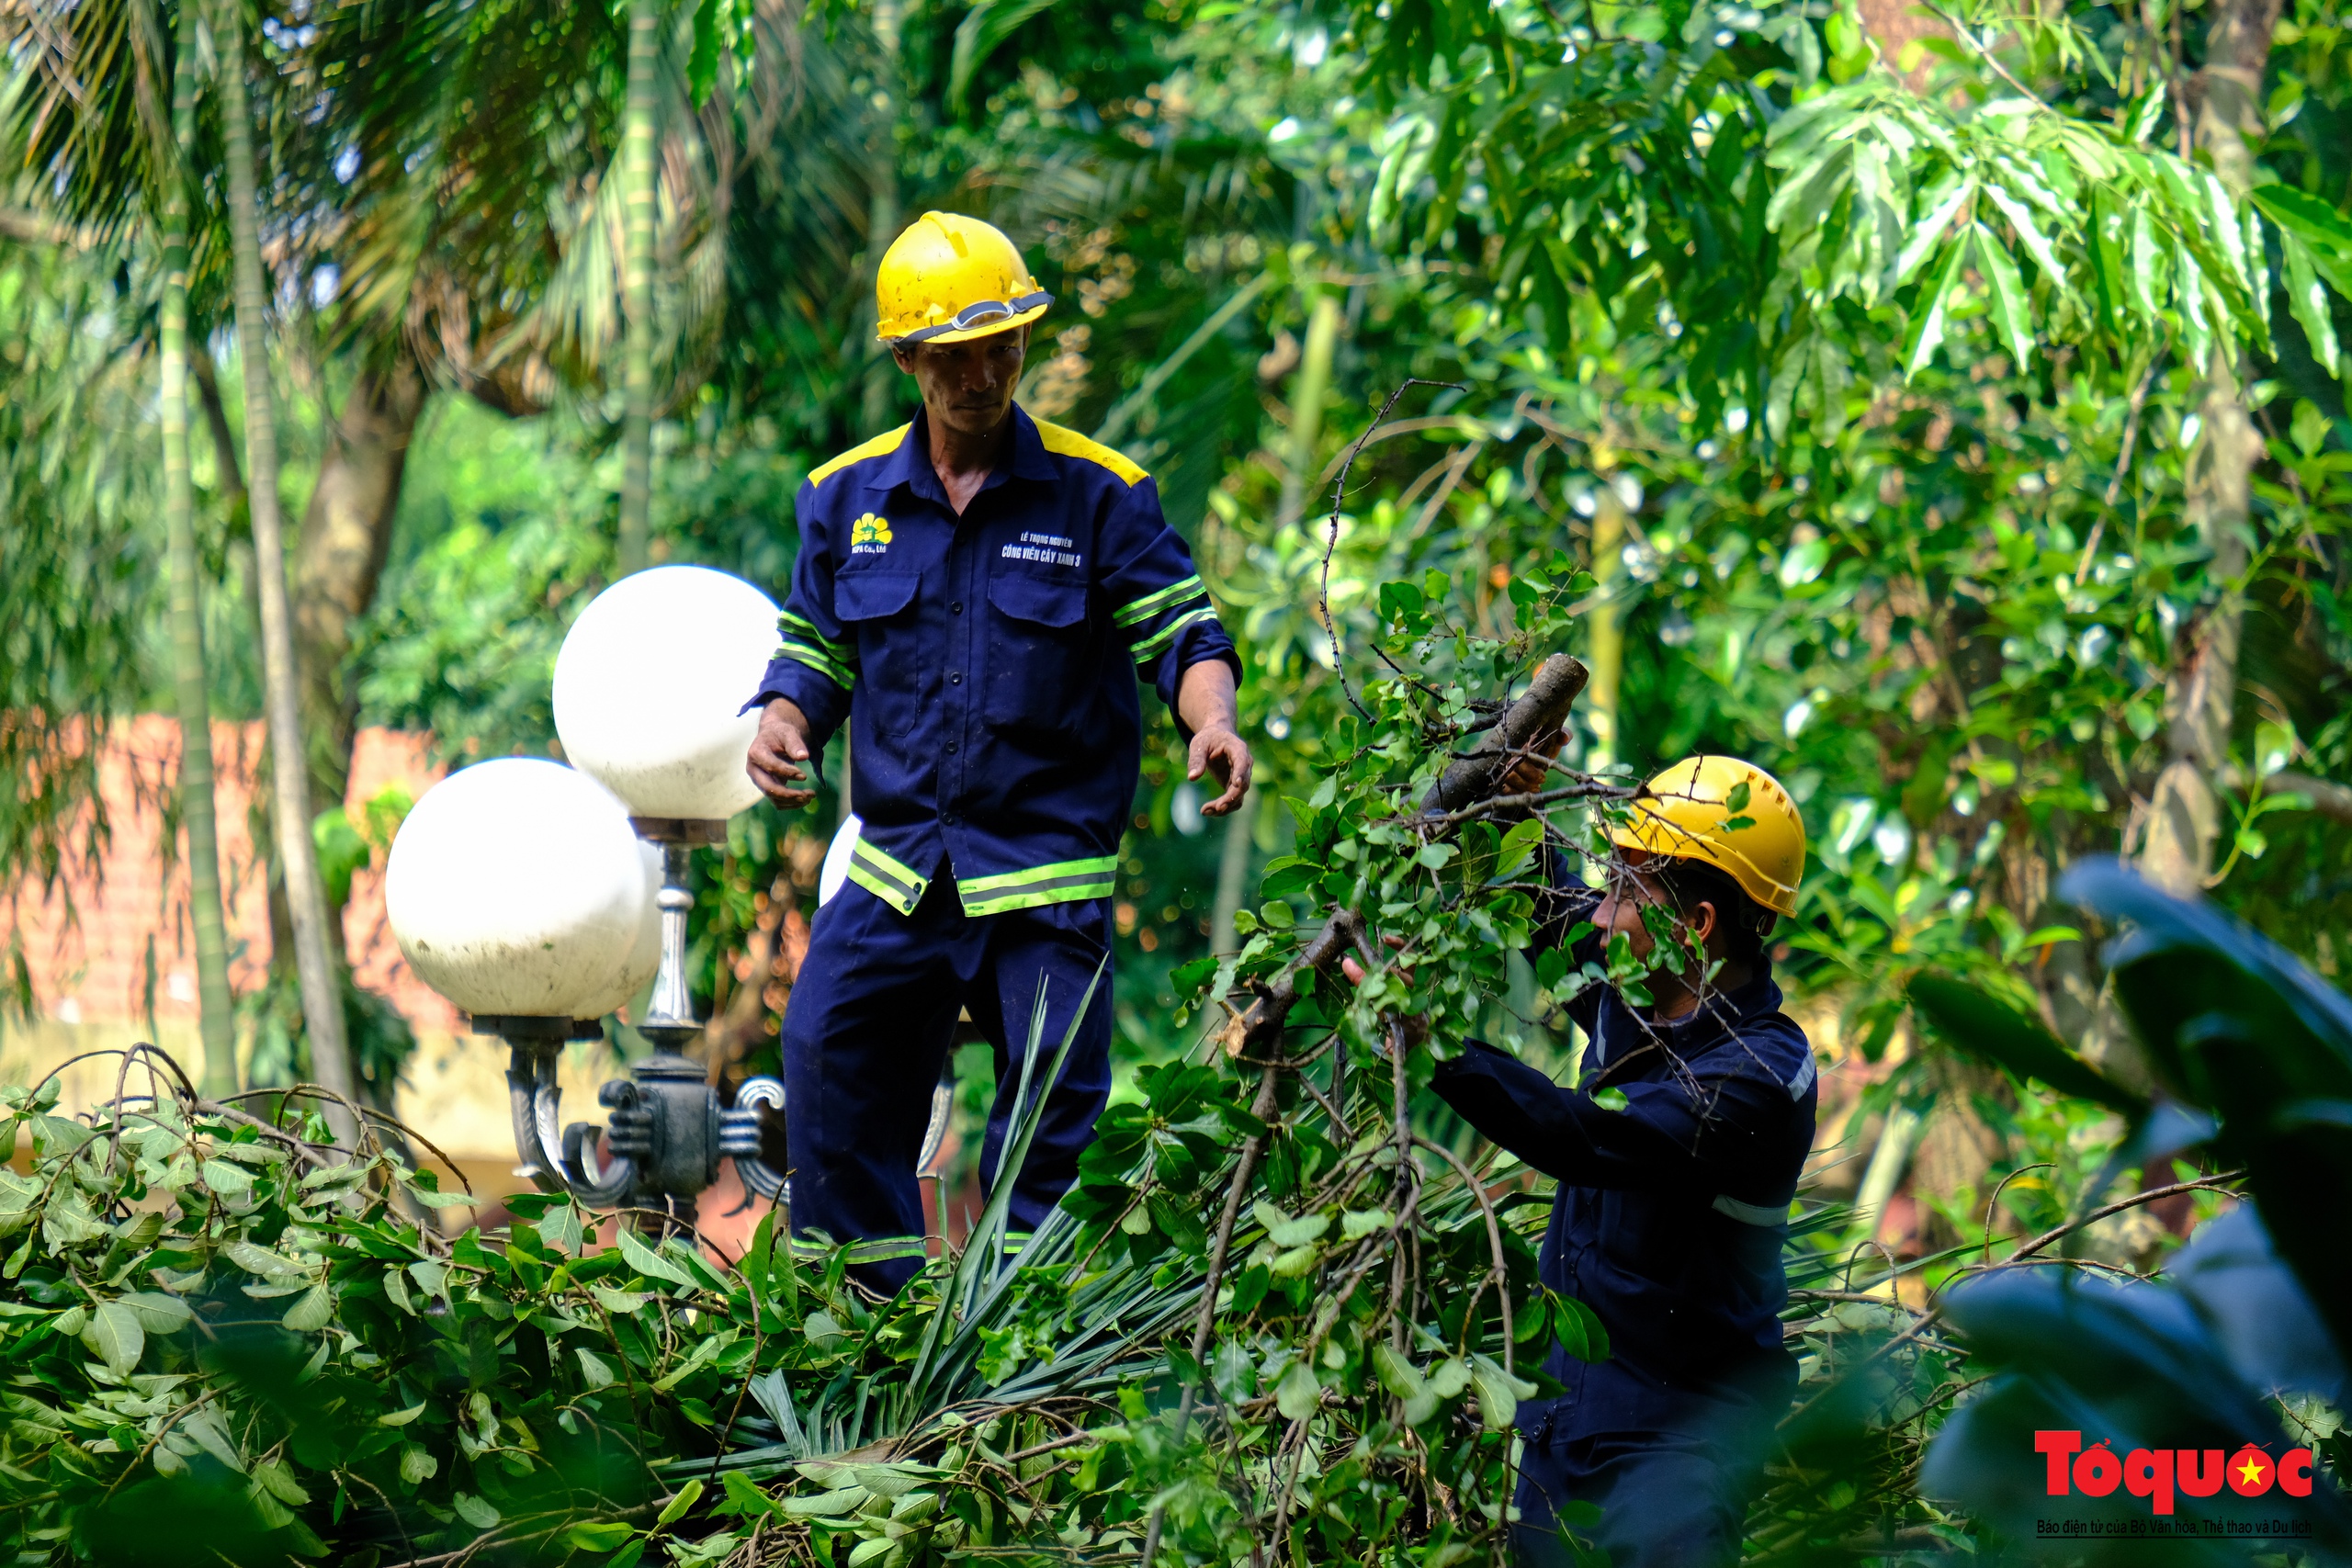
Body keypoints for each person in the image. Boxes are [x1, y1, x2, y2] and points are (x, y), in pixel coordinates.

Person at [742, 210, 1251, 1291]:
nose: (984, 375)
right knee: (826, 1062)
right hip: (896, 870)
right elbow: (814, 653)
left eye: (1004, 346)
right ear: (909, 359)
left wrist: (1211, 720)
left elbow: (1185, 636)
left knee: (1049, 1131)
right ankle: (868, 1321)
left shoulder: (1101, 493)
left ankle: (1018, 1341)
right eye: (958, 356)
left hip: (1043, 876)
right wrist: (783, 720)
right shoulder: (843, 499)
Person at [1351, 752, 1815, 1567]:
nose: (1600, 918)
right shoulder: (1638, 985)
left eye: (1624, 892)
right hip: (1569, 1432)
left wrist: (1440, 1049)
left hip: (1676, 1452)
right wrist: (1511, 797)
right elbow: (1554, 914)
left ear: (1694, 923)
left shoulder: (1759, 1078)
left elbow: (1588, 1136)